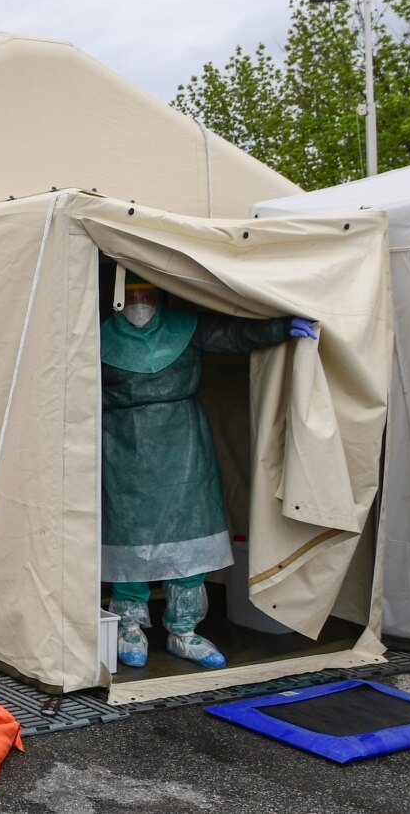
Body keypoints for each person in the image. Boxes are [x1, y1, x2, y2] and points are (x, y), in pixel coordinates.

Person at [101, 274, 318, 669]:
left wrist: (280, 327)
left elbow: (235, 334)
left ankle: (184, 631)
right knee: (127, 535)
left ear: (159, 295)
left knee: (189, 533)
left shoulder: (187, 329)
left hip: (184, 443)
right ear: (116, 298)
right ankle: (129, 626)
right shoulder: (95, 339)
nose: (139, 303)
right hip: (120, 445)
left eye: (145, 295)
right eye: (131, 296)